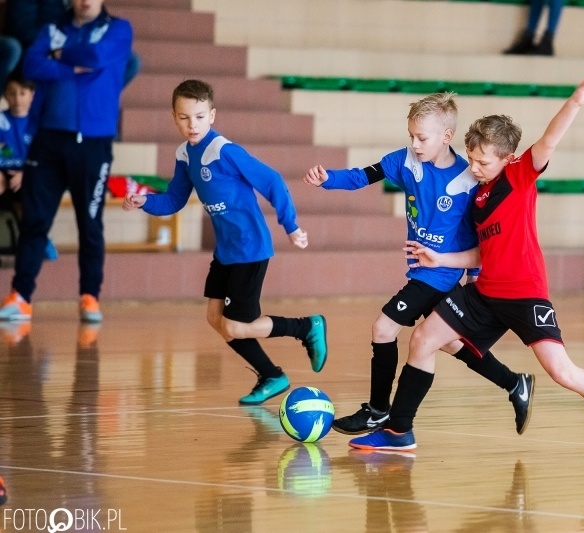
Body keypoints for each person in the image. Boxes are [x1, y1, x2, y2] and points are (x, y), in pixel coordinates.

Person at [350, 75, 584, 464]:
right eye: (471, 159)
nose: (475, 167)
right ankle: (399, 432)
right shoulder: (478, 196)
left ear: (507, 158)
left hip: (524, 295)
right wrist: (442, 260)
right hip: (484, 294)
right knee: (422, 339)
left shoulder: (520, 175)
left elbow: (551, 139)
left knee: (562, 372)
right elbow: (481, 255)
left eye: (483, 161)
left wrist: (576, 99)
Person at [304, 92, 533, 437]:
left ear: (446, 136)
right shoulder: (406, 161)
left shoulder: (467, 180)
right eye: (410, 135)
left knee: (383, 328)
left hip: (440, 274)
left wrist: (474, 275)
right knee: (450, 342)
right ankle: (514, 383)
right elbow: (363, 175)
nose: (414, 143)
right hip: (424, 270)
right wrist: (329, 179)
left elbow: (477, 235)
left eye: (422, 137)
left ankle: (378, 411)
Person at [123, 79, 328, 405]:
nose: (192, 124)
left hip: (250, 249)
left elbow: (272, 180)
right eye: (185, 117)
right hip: (226, 252)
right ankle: (272, 375)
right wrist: (143, 201)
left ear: (212, 115)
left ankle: (305, 327)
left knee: (235, 326)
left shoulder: (224, 151)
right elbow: (174, 201)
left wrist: (290, 225)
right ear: (174, 118)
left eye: (200, 116)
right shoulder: (184, 155)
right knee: (215, 319)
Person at [0, 0, 132, 323]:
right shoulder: (53, 28)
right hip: (47, 140)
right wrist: (72, 64)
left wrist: (58, 55)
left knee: (90, 225)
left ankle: (89, 296)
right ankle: (21, 296)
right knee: (35, 221)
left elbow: (98, 57)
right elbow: (31, 65)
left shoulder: (118, 29)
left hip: (93, 143)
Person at [2, 0, 140, 88]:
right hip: (42, 50)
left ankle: (96, 104)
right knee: (13, 48)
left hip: (74, 48)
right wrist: (59, 49)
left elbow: (96, 22)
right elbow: (21, 29)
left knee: (129, 60)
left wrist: (75, 52)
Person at [0, 72, 58, 262]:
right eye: (12, 93)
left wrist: (26, 174)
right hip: (3, 174)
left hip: (29, 175)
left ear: (32, 95)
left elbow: (47, 160)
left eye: (22, 93)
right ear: (5, 96)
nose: (17, 99)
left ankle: (40, 240)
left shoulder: (41, 123)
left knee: (29, 196)